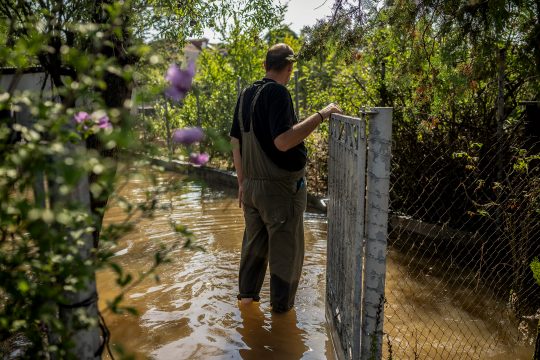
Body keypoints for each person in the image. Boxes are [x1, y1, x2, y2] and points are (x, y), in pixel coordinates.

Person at [230, 43, 342, 313]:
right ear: (289, 68)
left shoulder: (246, 93)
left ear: (265, 65)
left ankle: (247, 306)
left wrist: (242, 183)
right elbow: (282, 141)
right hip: (280, 191)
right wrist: (321, 115)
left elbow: (235, 141)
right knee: (285, 256)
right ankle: (281, 318)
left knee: (253, 251)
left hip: (252, 188)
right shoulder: (278, 93)